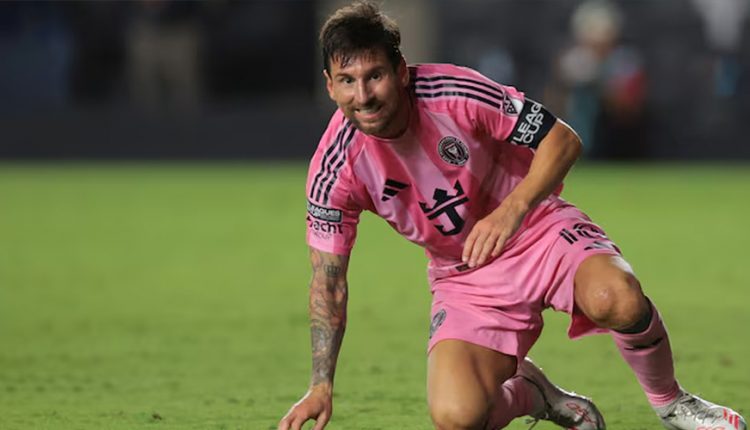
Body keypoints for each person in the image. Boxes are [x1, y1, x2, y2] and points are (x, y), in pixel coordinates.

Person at [278, 2, 747, 429]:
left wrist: (511, 211)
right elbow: (328, 283)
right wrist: (321, 384)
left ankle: (672, 403)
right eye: (347, 81)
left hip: (539, 229)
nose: (363, 95)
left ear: (400, 71)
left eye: (375, 75)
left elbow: (563, 139)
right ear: (329, 85)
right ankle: (533, 393)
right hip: (464, 274)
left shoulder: (452, 91)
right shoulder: (334, 169)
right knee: (456, 418)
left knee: (618, 299)